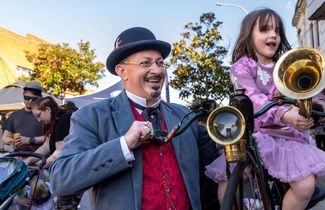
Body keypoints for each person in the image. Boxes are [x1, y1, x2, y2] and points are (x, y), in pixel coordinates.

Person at [49, 27, 218, 210]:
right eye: (145, 63)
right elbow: (61, 179)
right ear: (122, 71)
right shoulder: (92, 116)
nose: (157, 70)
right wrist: (123, 145)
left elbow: (218, 150)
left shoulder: (184, 115)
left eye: (160, 63)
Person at [204, 8, 325, 210]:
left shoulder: (288, 65)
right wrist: (284, 114)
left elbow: (314, 91)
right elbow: (253, 98)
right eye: (265, 30)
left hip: (288, 138)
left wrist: (318, 106)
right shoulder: (242, 66)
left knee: (305, 185)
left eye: (277, 30)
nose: (273, 35)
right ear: (249, 35)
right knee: (227, 183)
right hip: (254, 135)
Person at [24, 96, 71, 168]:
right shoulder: (52, 123)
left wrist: (39, 167)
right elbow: (46, 146)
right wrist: (28, 160)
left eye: (39, 115)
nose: (39, 120)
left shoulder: (64, 120)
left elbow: (59, 152)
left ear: (48, 109)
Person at [2, 82, 45, 152]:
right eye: (27, 98)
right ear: (23, 95)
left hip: (40, 157)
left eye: (34, 99)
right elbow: (5, 137)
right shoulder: (14, 115)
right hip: (19, 156)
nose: (30, 101)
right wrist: (12, 141)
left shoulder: (45, 114)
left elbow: (51, 138)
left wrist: (30, 140)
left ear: (41, 98)